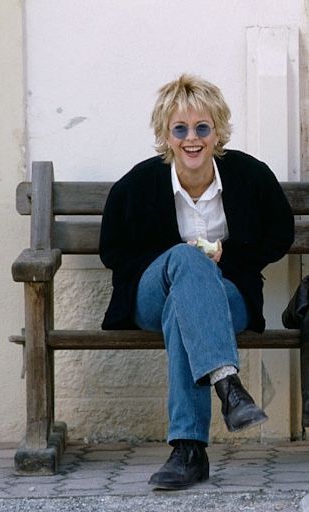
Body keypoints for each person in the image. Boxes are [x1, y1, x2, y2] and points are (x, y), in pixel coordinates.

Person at [99, 74, 294, 490]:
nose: (192, 139)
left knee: (183, 310)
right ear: (165, 135)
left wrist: (231, 253)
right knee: (185, 262)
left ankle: (189, 451)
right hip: (150, 294)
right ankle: (228, 384)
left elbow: (281, 234)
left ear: (217, 130)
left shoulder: (249, 176)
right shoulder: (139, 184)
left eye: (202, 127)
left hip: (229, 296)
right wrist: (177, 259)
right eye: (180, 129)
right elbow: (113, 250)